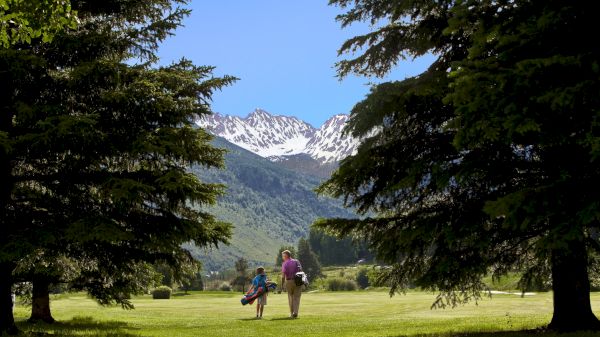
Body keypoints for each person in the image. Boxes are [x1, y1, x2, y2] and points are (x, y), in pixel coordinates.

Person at [281, 250, 302, 318]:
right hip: (297, 281)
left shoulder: (284, 263)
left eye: (283, 256)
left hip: (289, 281)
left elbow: (283, 276)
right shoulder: (296, 261)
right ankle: (295, 312)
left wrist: (282, 284)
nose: (283, 257)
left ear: (286, 256)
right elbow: (301, 271)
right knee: (297, 297)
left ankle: (291, 313)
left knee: (290, 297)